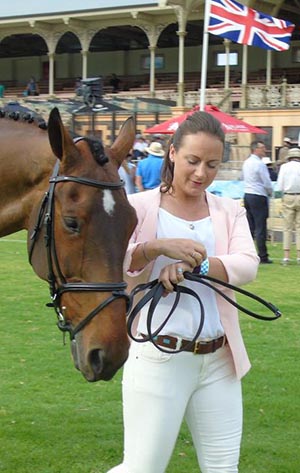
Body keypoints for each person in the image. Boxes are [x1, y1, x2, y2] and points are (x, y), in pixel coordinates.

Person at [107, 111, 259, 473]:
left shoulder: (228, 210)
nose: (201, 173)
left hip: (219, 360)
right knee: (142, 468)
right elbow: (117, 265)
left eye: (212, 164)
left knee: (224, 469)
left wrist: (199, 266)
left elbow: (247, 264)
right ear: (172, 153)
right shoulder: (140, 207)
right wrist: (156, 247)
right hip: (159, 356)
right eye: (192, 161)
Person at [242, 140, 273, 264]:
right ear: (256, 149)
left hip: (248, 194)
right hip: (258, 195)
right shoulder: (259, 164)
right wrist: (270, 192)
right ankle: (262, 254)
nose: (264, 150)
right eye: (262, 148)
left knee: (250, 226)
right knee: (260, 226)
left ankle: (246, 252)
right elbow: (266, 182)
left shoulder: (246, 163)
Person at [277, 147, 300, 265]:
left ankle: (286, 256)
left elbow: (280, 185)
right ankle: (299, 256)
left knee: (287, 227)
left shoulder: (284, 167)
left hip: (288, 196)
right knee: (299, 227)